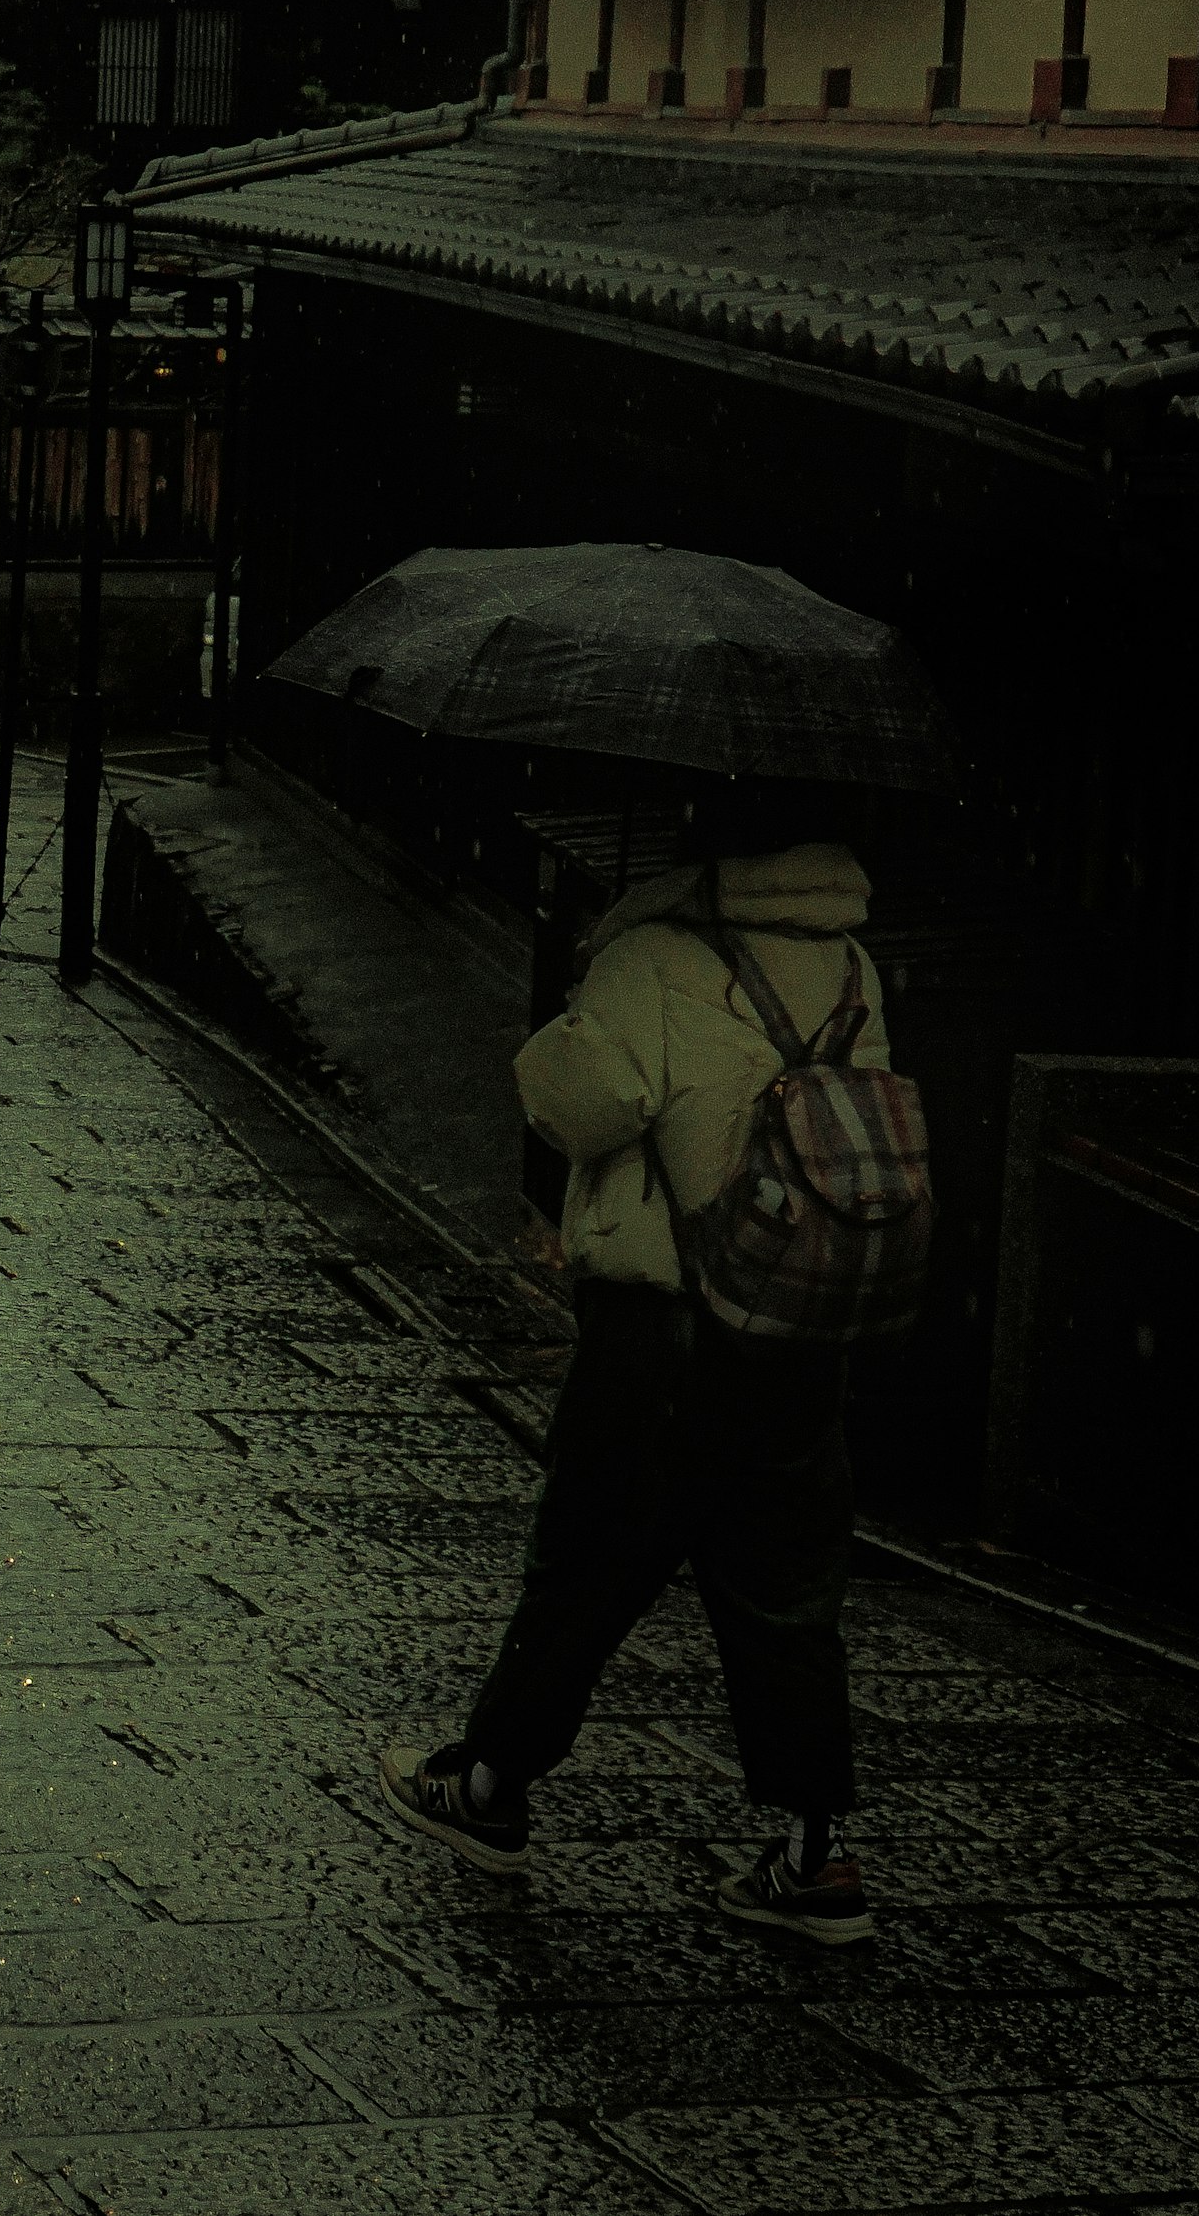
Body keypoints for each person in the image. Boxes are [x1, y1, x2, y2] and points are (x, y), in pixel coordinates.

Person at [379, 781, 888, 1943]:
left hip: (664, 1327)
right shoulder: (858, 968)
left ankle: (492, 1789)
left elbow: (573, 1106)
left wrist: (585, 984)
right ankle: (814, 1853)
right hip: (802, 1332)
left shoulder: (656, 954)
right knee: (786, 1595)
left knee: (590, 1564)